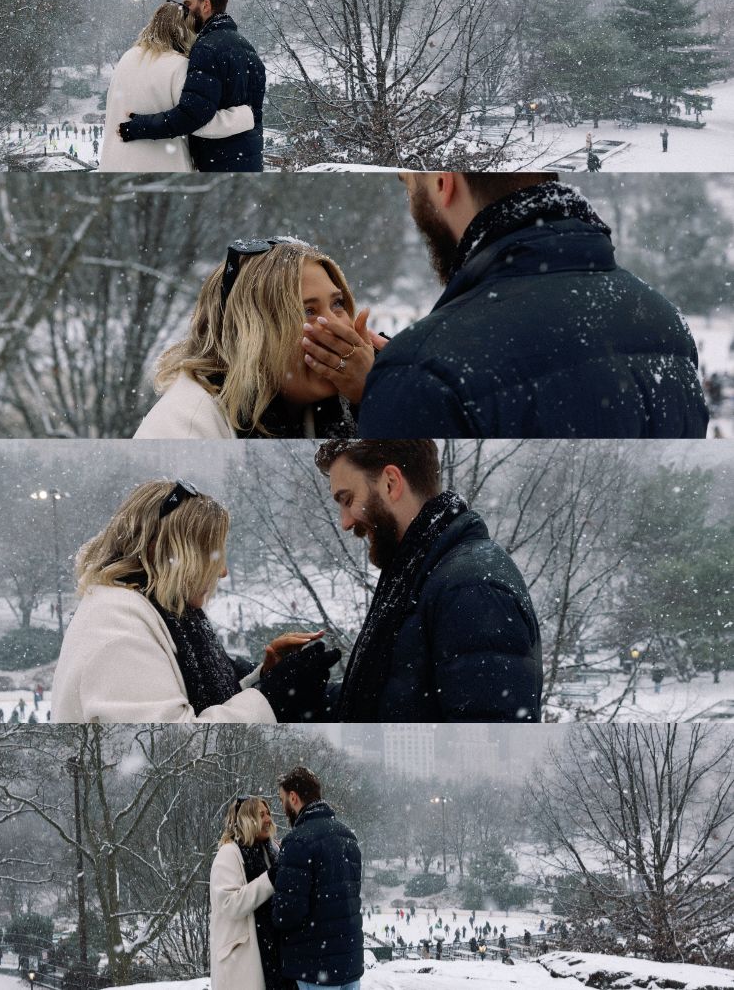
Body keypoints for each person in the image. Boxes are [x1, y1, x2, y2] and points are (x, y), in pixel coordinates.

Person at [330, 172, 708, 437]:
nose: (412, 205)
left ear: (443, 184)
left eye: (410, 185)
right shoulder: (666, 323)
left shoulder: (423, 373)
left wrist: (397, 389)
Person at [52, 480, 339, 722]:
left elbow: (192, 707)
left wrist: (266, 678)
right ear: (162, 552)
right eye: (210, 554)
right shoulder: (117, 627)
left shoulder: (160, 611)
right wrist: (271, 697)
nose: (222, 570)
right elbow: (174, 740)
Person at [315, 440, 543, 722]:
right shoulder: (417, 571)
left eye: (348, 499)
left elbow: (482, 735)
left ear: (390, 482)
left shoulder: (470, 588)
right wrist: (291, 691)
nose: (345, 522)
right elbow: (391, 701)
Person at [134, 238, 385, 439]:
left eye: (338, 304)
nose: (337, 325)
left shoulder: (351, 396)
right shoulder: (188, 428)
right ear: (250, 334)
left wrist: (379, 393)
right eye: (308, 311)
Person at [118, 0, 265, 172]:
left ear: (205, 5)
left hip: (219, 162)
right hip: (248, 158)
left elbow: (193, 115)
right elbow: (254, 110)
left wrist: (140, 126)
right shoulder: (246, 46)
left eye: (188, 5)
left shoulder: (206, 47)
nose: (184, 12)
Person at [272, 767, 363, 990]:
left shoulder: (297, 841)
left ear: (293, 797)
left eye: (283, 799)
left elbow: (288, 912)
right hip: (349, 961)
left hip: (316, 965)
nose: (283, 807)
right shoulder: (347, 836)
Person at [209, 796, 291, 990]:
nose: (268, 819)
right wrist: (271, 878)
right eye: (261, 815)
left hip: (272, 957)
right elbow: (230, 904)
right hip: (242, 961)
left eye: (268, 814)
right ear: (247, 819)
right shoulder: (229, 853)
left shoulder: (272, 851)